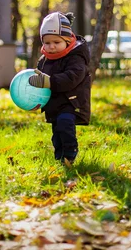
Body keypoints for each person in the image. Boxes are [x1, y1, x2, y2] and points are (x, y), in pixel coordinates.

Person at [28, 11, 91, 165]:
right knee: (56, 133)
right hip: (54, 103)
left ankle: (70, 153)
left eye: (56, 42)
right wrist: (35, 101)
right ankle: (60, 157)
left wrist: (49, 81)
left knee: (64, 124)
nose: (52, 47)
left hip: (72, 102)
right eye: (47, 43)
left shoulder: (76, 57)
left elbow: (72, 77)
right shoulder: (44, 61)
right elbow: (40, 85)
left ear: (68, 40)